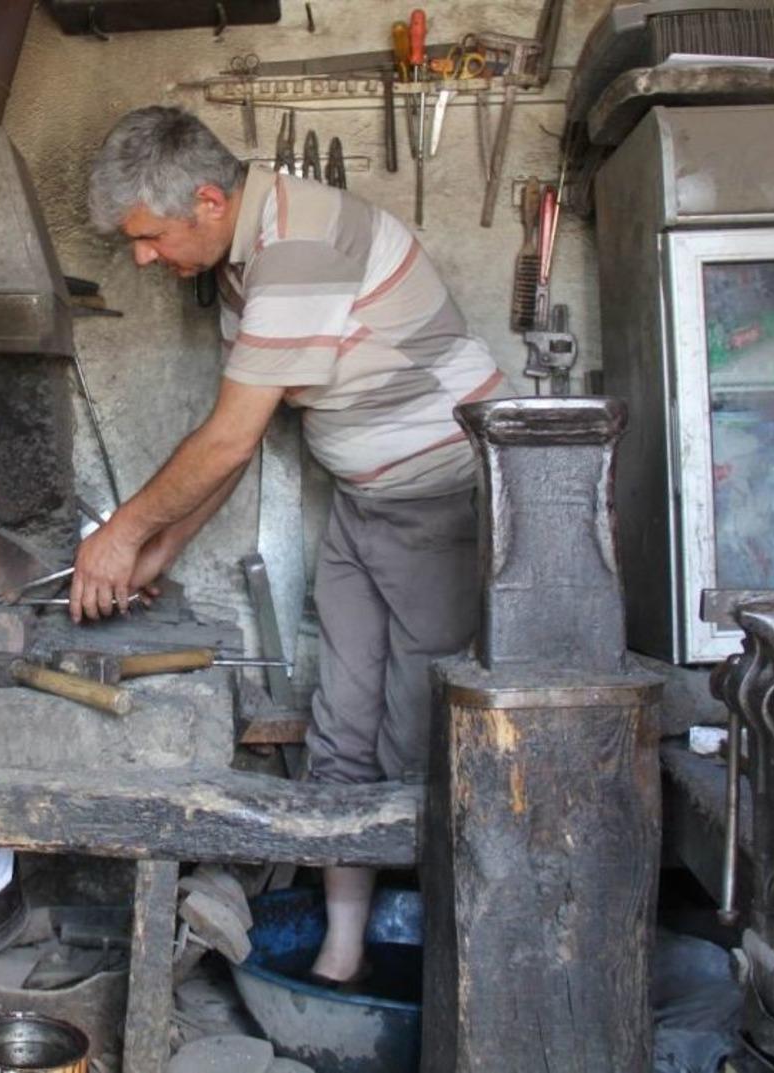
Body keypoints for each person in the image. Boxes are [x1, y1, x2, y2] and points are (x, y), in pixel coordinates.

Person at [75, 106, 509, 984]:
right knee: (342, 726)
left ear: (206, 199)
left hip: (444, 504)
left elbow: (230, 438)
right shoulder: (244, 268)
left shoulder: (301, 246)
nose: (144, 259)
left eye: (150, 238)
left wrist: (121, 536)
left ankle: (451, 974)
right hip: (364, 504)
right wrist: (163, 545)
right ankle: (345, 959)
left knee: (421, 737)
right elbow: (243, 434)